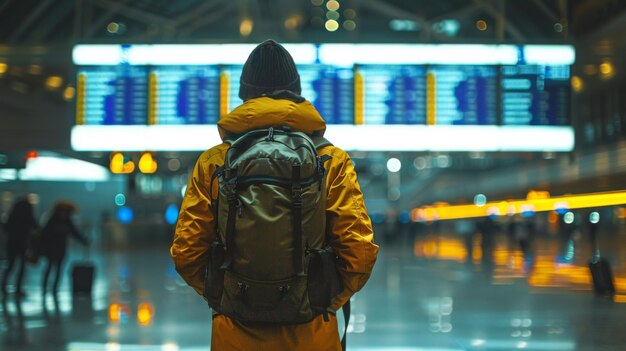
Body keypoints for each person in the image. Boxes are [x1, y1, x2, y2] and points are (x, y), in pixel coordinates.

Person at [171, 39, 379, 350]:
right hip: (311, 335)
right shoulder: (331, 160)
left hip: (234, 334)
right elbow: (359, 254)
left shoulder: (214, 161)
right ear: (296, 92)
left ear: (244, 95)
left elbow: (186, 252)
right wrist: (319, 299)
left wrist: (228, 295)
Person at [39, 201, 88, 295]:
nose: (64, 214)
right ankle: (44, 288)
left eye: (66, 212)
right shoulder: (52, 221)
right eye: (62, 212)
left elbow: (75, 232)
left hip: (61, 249)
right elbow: (44, 236)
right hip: (51, 249)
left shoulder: (67, 222)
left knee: (58, 270)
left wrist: (84, 240)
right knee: (49, 268)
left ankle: (54, 289)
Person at [1, 198, 37, 297]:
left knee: (10, 266)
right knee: (22, 267)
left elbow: (6, 228)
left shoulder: (12, 216)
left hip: (11, 244)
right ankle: (18, 288)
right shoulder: (29, 217)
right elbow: (35, 228)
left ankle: (3, 286)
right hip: (23, 244)